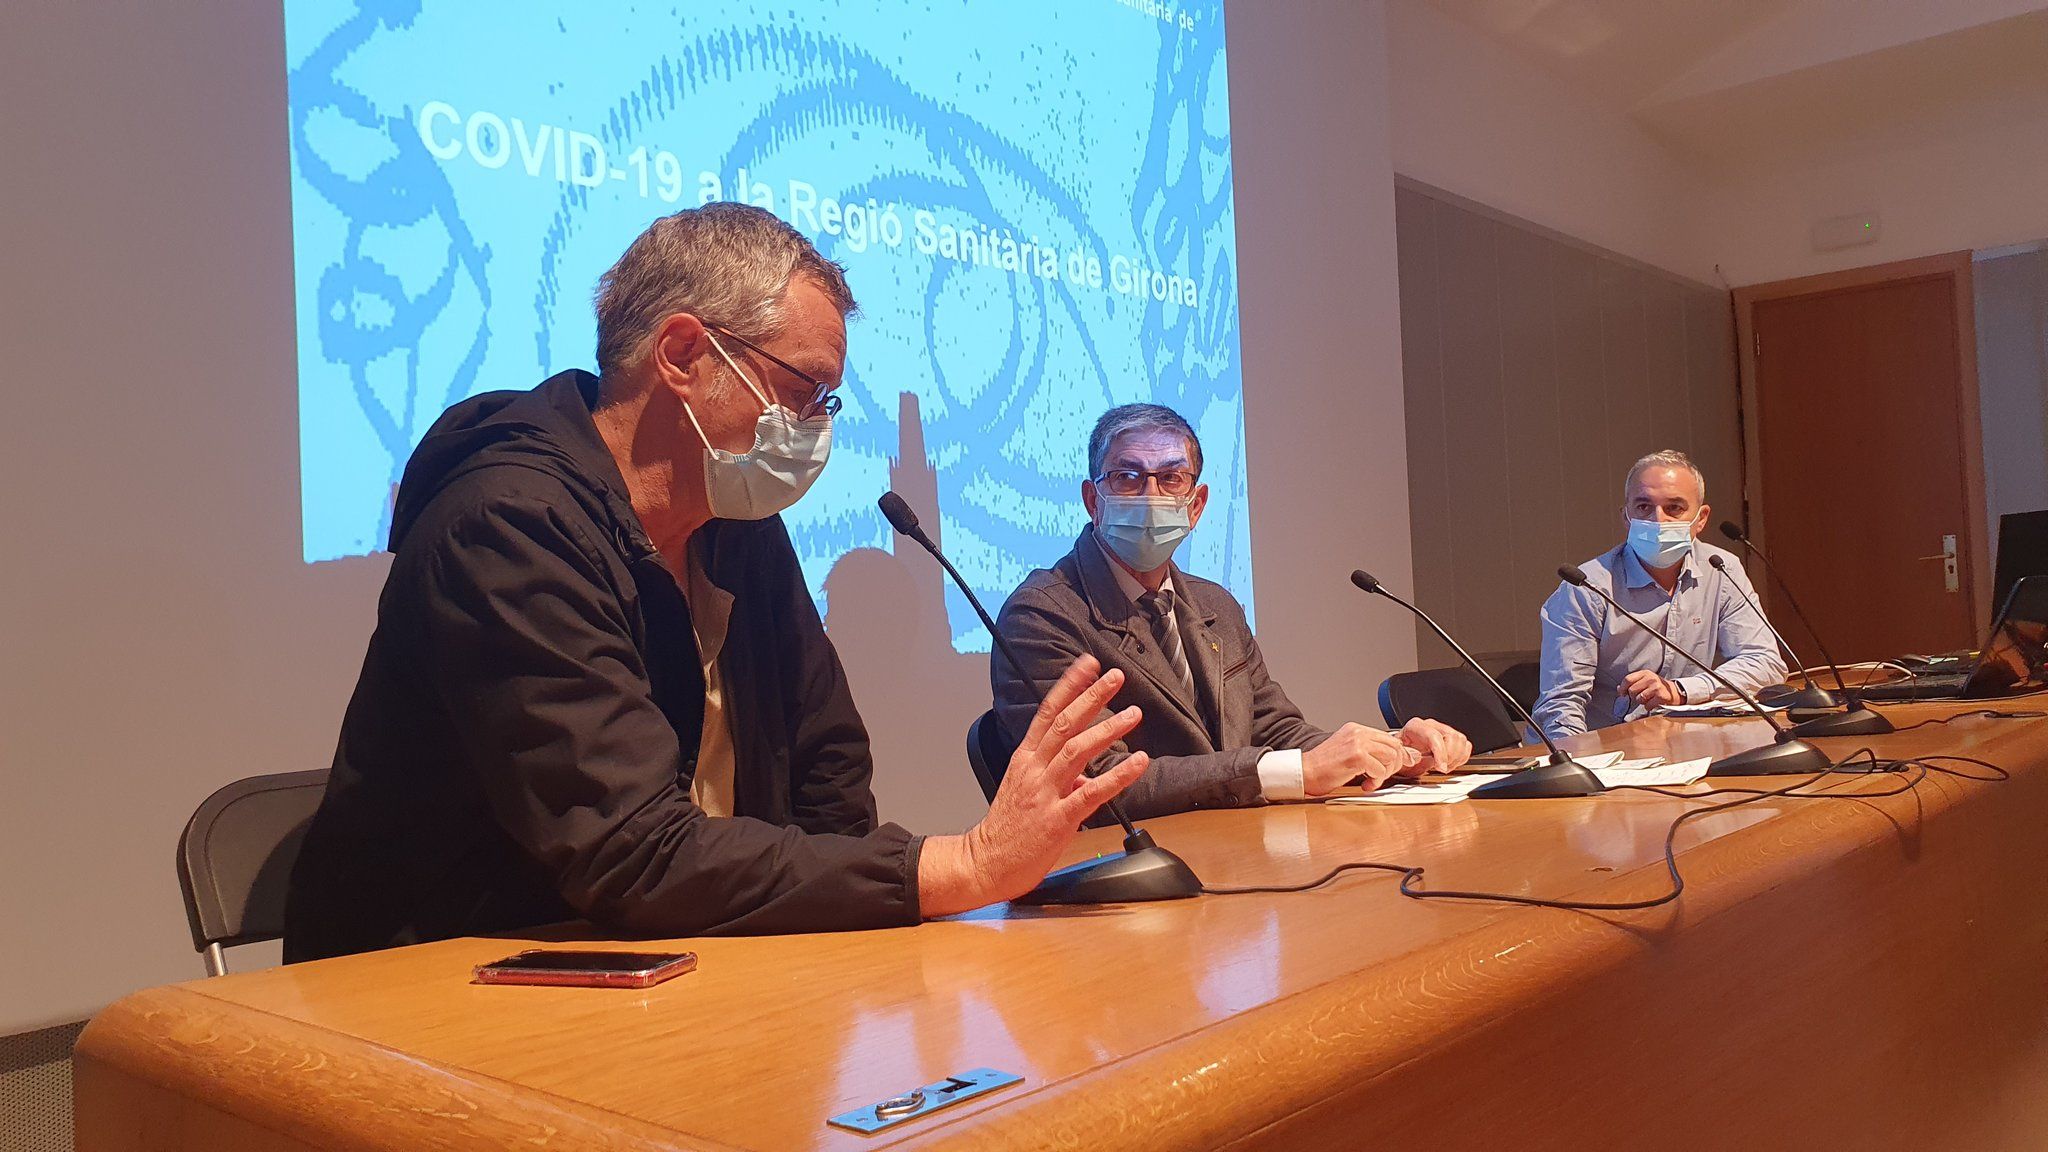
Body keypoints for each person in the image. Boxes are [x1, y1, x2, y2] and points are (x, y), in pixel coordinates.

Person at [284, 204, 1147, 960]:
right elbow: (632, 850)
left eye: (827, 403)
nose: (815, 428)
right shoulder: (506, 526)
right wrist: (960, 867)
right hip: (443, 995)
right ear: (683, 354)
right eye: (803, 390)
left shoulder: (736, 527)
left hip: (678, 964)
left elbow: (827, 768)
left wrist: (857, 941)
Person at [989, 404, 1472, 821]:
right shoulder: (1041, 616)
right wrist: (1298, 771)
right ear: (1093, 499)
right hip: (1127, 869)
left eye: (1171, 478)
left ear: (1195, 505)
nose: (1151, 494)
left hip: (1238, 845)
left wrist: (1389, 753)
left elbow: (1275, 730)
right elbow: (1098, 781)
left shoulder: (1215, 604)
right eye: (1127, 477)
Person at [1532, 449, 1788, 742]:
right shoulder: (1586, 587)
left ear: (1701, 518)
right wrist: (1580, 762)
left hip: (1680, 741)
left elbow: (1765, 661)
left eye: (1674, 508)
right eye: (1643, 506)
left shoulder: (1720, 568)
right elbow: (1560, 705)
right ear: (1626, 516)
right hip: (1604, 746)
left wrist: (1681, 690)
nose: (1658, 520)